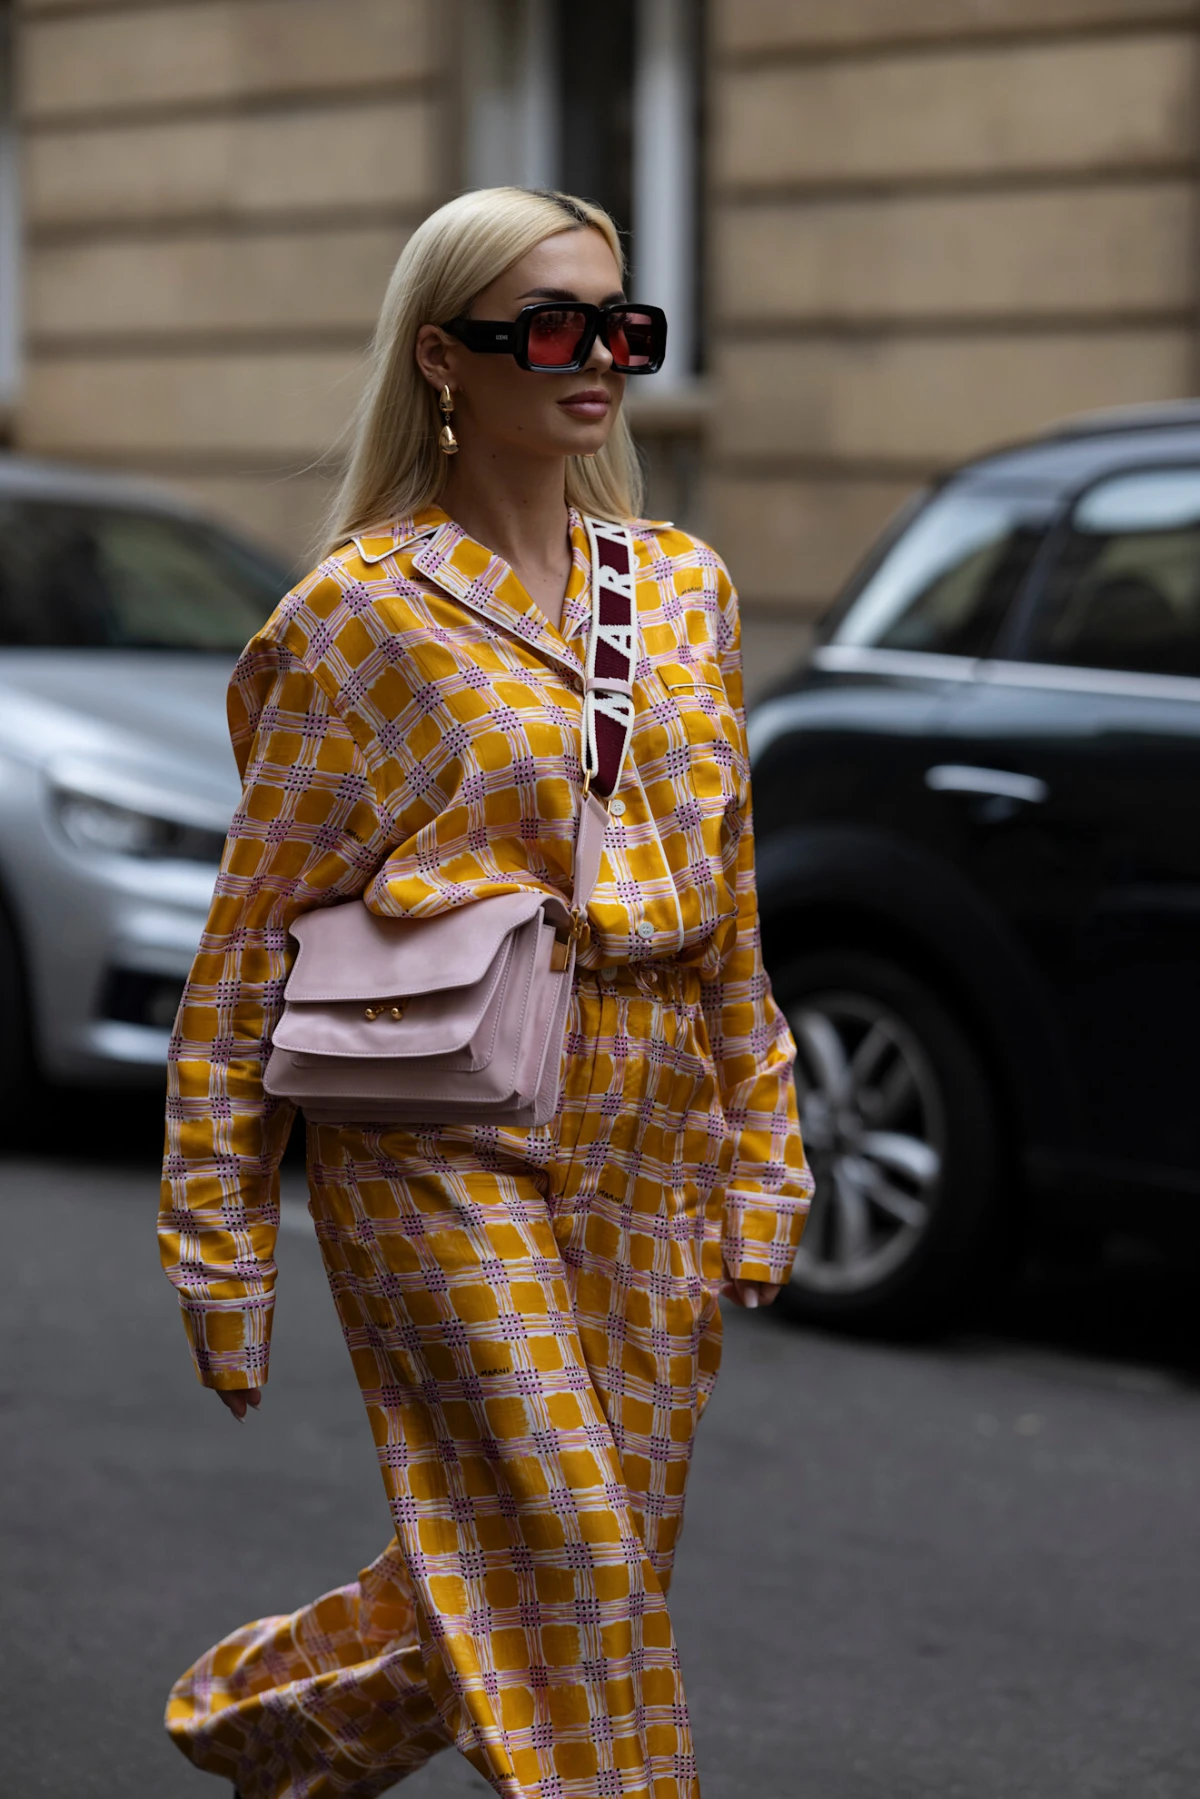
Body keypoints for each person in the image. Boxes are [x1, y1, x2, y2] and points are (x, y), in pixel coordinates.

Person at [158, 185, 811, 1799]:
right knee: (572, 1549)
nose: (598, 360)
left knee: (578, 1557)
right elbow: (246, 950)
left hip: (656, 1110)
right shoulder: (357, 618)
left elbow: (729, 903)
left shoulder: (685, 590)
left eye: (623, 326)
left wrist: (766, 1150)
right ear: (443, 357)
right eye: (552, 326)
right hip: (439, 1114)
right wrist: (221, 1241)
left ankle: (275, 1730)